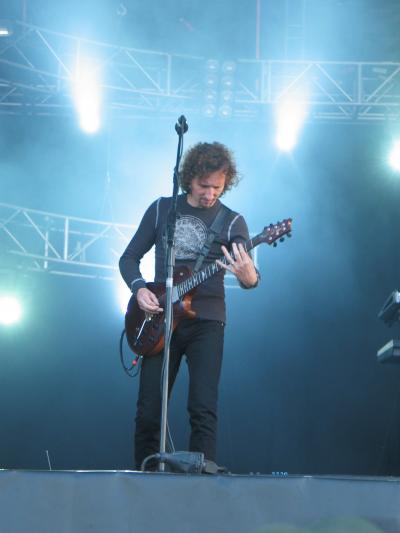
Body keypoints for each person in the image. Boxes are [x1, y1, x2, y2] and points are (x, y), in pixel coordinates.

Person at [119, 141, 259, 470]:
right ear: (189, 178)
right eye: (203, 186)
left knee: (202, 407)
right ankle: (145, 478)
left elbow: (249, 276)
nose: (210, 194)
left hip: (206, 321)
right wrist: (140, 290)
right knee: (149, 409)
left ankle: (202, 485)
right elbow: (128, 258)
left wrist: (248, 275)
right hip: (161, 319)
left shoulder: (232, 221)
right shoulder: (162, 209)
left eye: (217, 188)